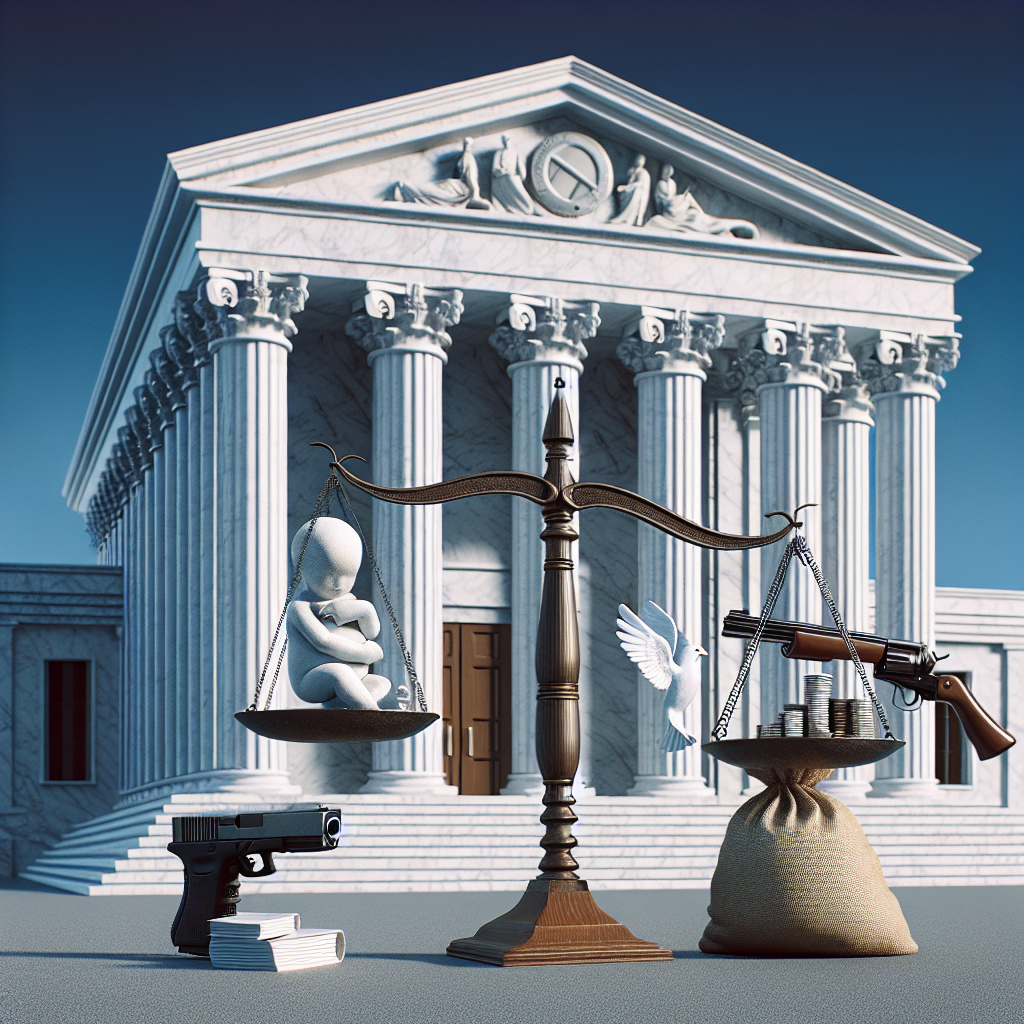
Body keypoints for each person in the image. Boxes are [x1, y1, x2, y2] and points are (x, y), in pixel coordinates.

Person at [287, 517, 392, 709]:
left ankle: (343, 705)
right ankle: (374, 716)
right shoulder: (300, 607)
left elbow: (371, 633)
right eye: (328, 576)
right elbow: (323, 641)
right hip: (311, 680)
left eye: (348, 575)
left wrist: (366, 610)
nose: (338, 584)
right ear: (304, 570)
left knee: (381, 683)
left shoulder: (349, 601)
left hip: (356, 677)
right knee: (339, 673)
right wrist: (364, 653)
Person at [648, 164, 759, 239]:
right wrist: (683, 201)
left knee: (698, 217)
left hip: (693, 218)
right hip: (678, 215)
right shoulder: (663, 184)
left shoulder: (671, 183)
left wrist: (686, 201)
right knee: (696, 217)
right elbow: (665, 202)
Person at [393, 137, 491, 210]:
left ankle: (406, 189)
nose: (466, 146)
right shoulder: (464, 162)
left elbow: (471, 177)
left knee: (429, 190)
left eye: (468, 144)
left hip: (453, 191)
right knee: (429, 190)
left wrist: (475, 196)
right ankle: (406, 190)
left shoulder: (469, 162)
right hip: (449, 187)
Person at [491, 135, 535, 214]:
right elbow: (495, 167)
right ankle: (511, 209)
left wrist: (522, 175)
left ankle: (528, 209)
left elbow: (520, 165)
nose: (506, 142)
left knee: (522, 195)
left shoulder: (514, 152)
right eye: (504, 141)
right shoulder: (499, 153)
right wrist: (501, 171)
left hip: (513, 177)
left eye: (507, 140)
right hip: (503, 177)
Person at [610, 154, 651, 225]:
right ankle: (621, 216)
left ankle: (627, 219)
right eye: (638, 159)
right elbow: (629, 181)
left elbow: (640, 184)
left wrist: (627, 187)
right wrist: (626, 187)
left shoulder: (644, 173)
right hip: (628, 191)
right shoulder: (631, 170)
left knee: (635, 195)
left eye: (641, 160)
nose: (639, 161)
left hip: (636, 193)